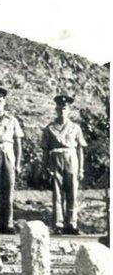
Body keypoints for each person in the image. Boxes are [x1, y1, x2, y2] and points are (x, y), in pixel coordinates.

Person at [41, 94, 87, 234]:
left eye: (65, 108)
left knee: (72, 192)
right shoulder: (49, 128)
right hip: (55, 159)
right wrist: (44, 167)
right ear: (56, 109)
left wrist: (81, 169)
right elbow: (45, 150)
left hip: (71, 158)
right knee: (57, 193)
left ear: (69, 110)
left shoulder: (75, 127)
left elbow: (80, 149)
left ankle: (71, 224)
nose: (62, 111)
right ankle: (58, 224)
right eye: (60, 108)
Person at [0, 87, 23, 233]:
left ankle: (7, 223)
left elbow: (18, 143)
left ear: (5, 102)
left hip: (8, 153)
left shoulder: (12, 120)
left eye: (0, 101)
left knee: (8, 189)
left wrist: (18, 162)